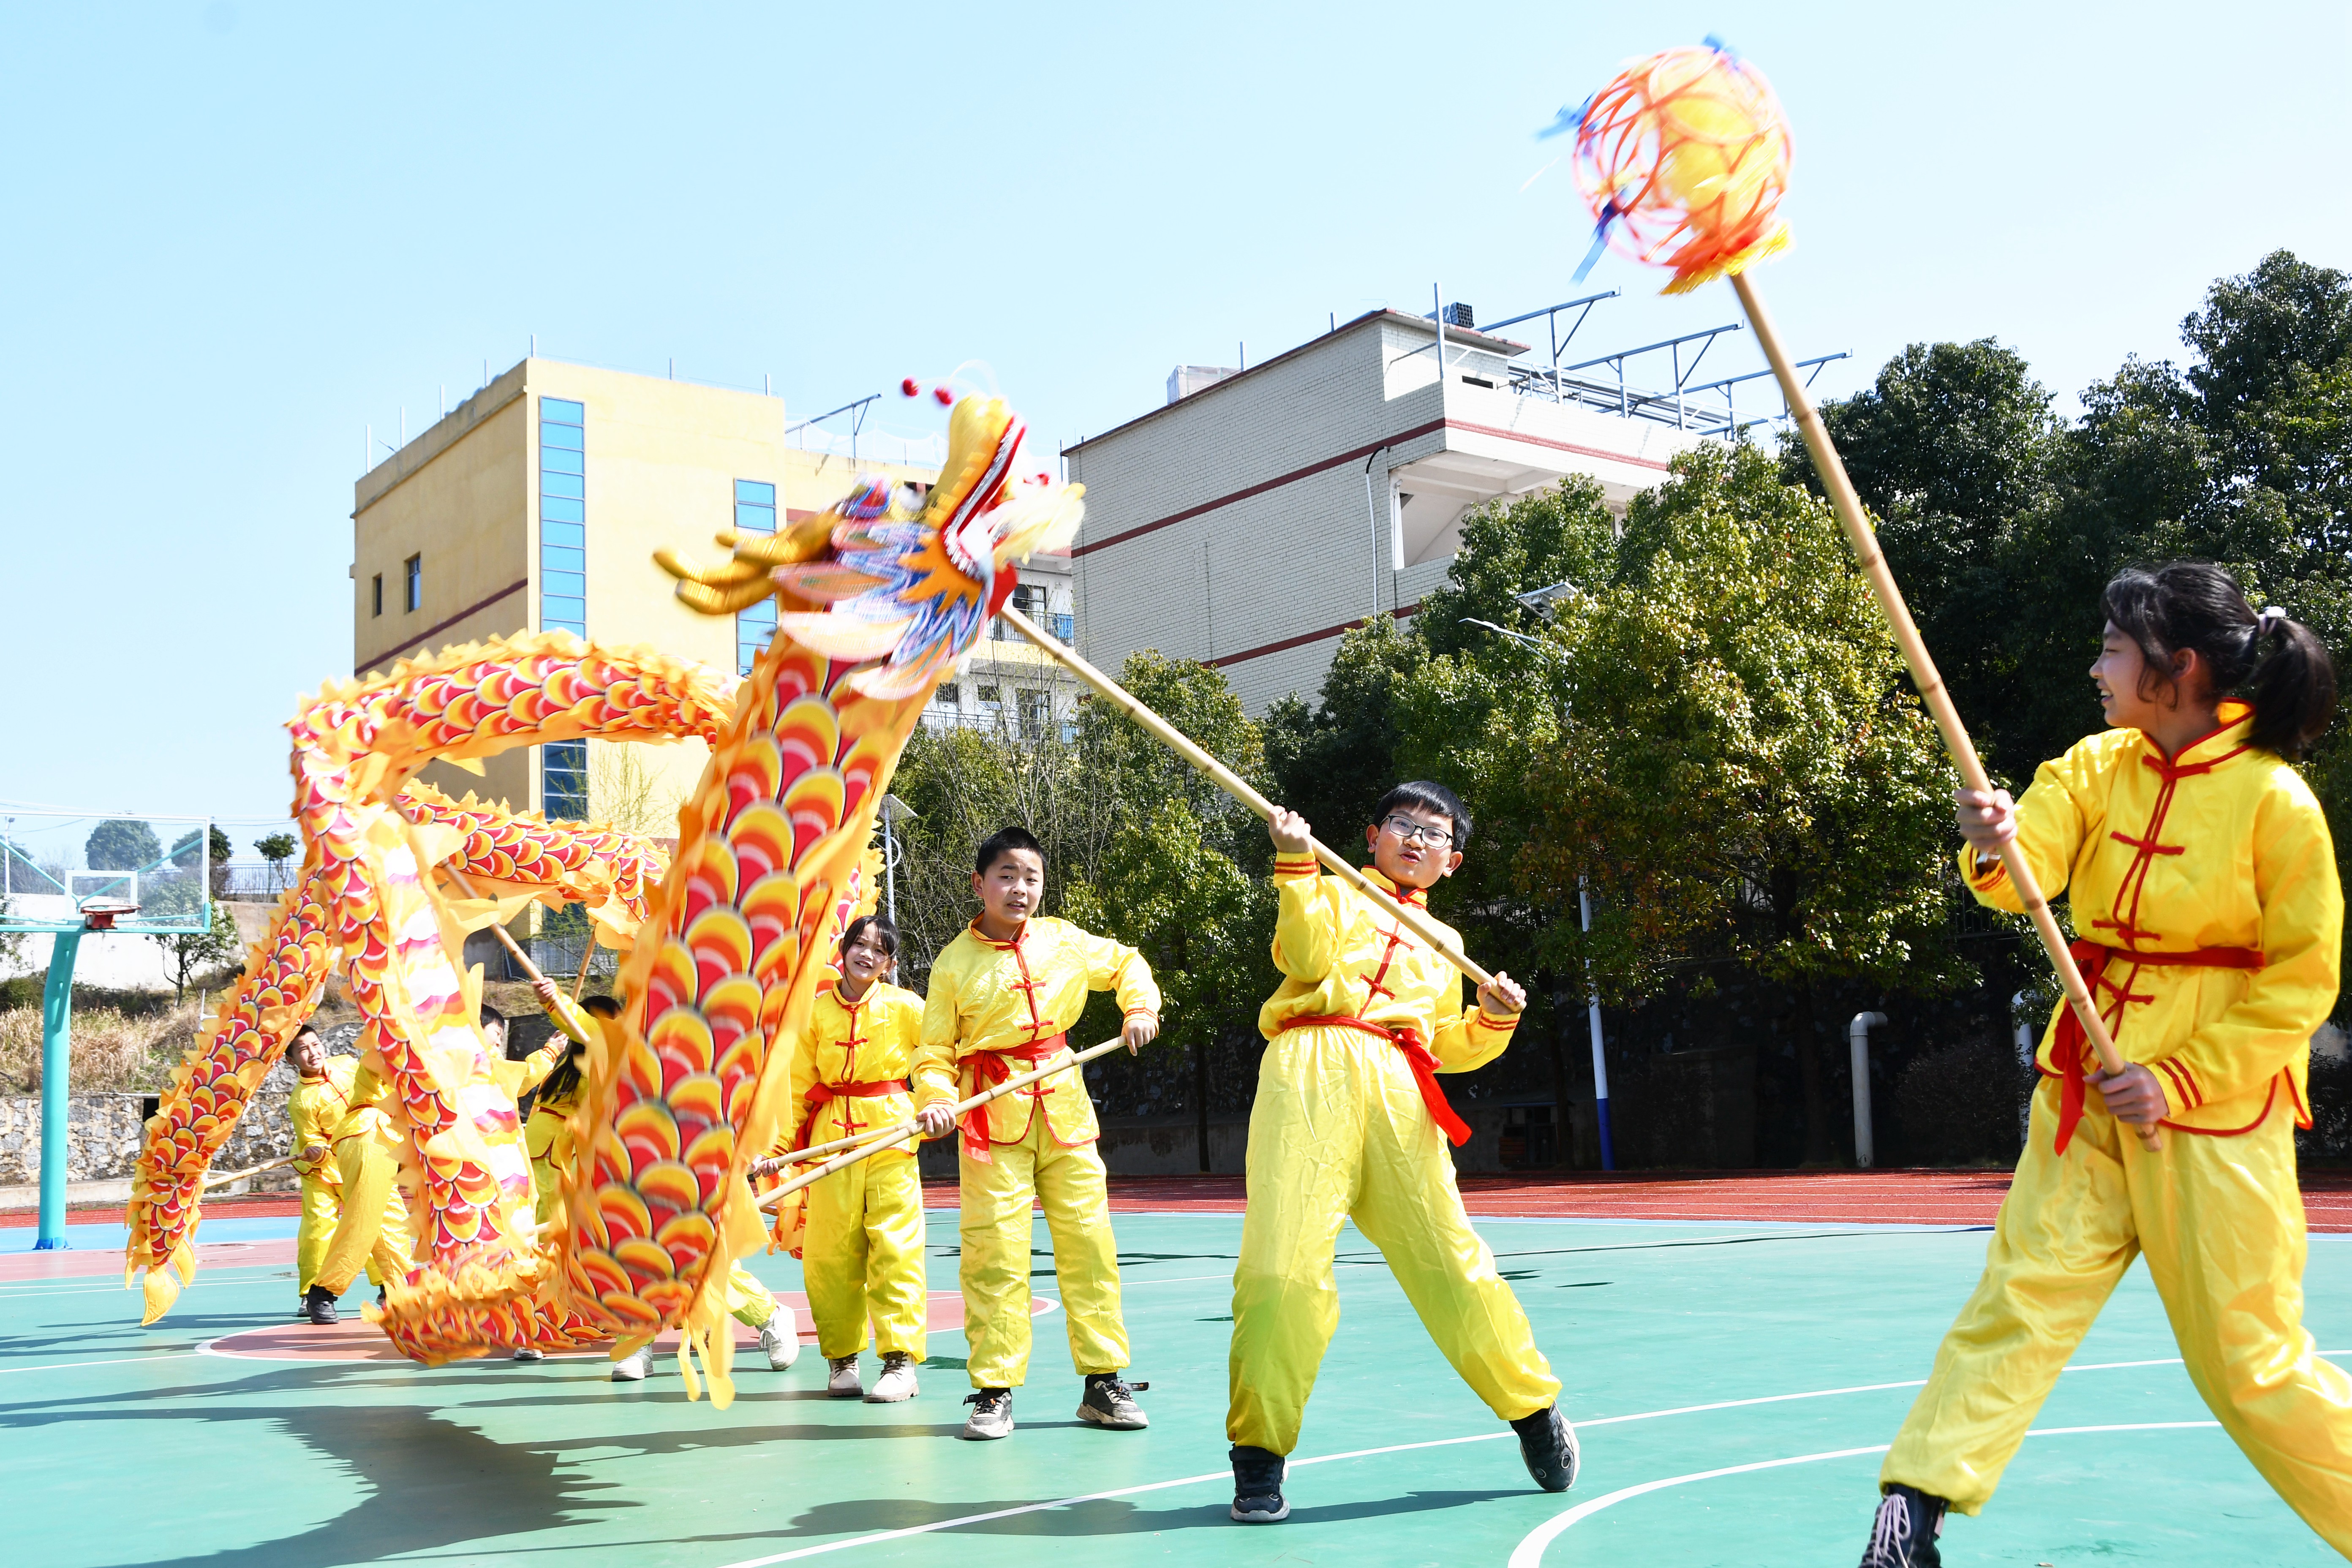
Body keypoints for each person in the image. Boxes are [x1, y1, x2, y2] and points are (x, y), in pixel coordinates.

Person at [1859, 564, 2352, 1568]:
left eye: (2113, 650)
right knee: (2020, 1297)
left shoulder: (2277, 802)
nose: (2095, 667)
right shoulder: (2092, 766)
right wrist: (1994, 846)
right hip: (2083, 1085)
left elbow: (2301, 983)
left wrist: (2177, 1079)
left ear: (2174, 669)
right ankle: (1915, 1506)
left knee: (2251, 1365)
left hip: (2213, 1120)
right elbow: (2022, 876)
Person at [1225, 782, 1574, 1523]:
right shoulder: (1330, 887)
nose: (1415, 840)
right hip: (1309, 1070)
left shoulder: (1448, 944)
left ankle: (1532, 1410)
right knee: (1280, 1266)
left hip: (1399, 1093)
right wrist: (1293, 867)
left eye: (1432, 834)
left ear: (1452, 861)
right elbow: (1304, 953)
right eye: (1401, 825)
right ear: (1372, 834)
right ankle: (1258, 1458)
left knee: (1451, 1263)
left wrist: (1491, 1020)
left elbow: (1440, 1044)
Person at [912, 825, 1161, 1441]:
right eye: (1006, 876)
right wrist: (940, 1099)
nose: (1019, 889)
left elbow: (1127, 962)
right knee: (995, 1254)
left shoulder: (1064, 941)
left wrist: (1140, 1008)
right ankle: (993, 1390)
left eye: (1031, 878)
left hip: (1065, 1111)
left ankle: (1103, 1383)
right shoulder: (953, 963)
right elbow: (933, 1053)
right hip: (992, 1120)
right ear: (979, 884)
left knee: (1090, 1246)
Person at [747, 915, 927, 1402]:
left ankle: (899, 1363)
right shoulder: (814, 1013)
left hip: (892, 1137)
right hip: (830, 1143)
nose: (866, 954)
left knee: (896, 1249)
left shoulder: (908, 1007)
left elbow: (937, 1056)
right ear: (843, 949)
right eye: (859, 943)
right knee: (829, 1256)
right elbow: (799, 1089)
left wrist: (935, 1101)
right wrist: (776, 1151)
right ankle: (842, 1359)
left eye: (879, 949)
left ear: (889, 964)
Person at [509, 981, 609, 1362]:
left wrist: (557, 1005)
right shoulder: (578, 1062)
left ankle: (561, 1320)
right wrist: (555, 1021)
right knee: (551, 1243)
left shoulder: (586, 1064)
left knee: (565, 1244)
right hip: (552, 1162)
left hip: (556, 1159)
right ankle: (537, 1328)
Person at [287, 1023, 413, 1324]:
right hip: (329, 1165)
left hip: (377, 1147)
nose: (313, 1053)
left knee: (391, 1220)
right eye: (303, 1050)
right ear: (290, 1060)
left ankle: (398, 1288)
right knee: (321, 1228)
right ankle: (316, 1292)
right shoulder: (301, 1101)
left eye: (315, 1045)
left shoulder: (347, 1063)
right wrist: (316, 1149)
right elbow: (311, 1138)